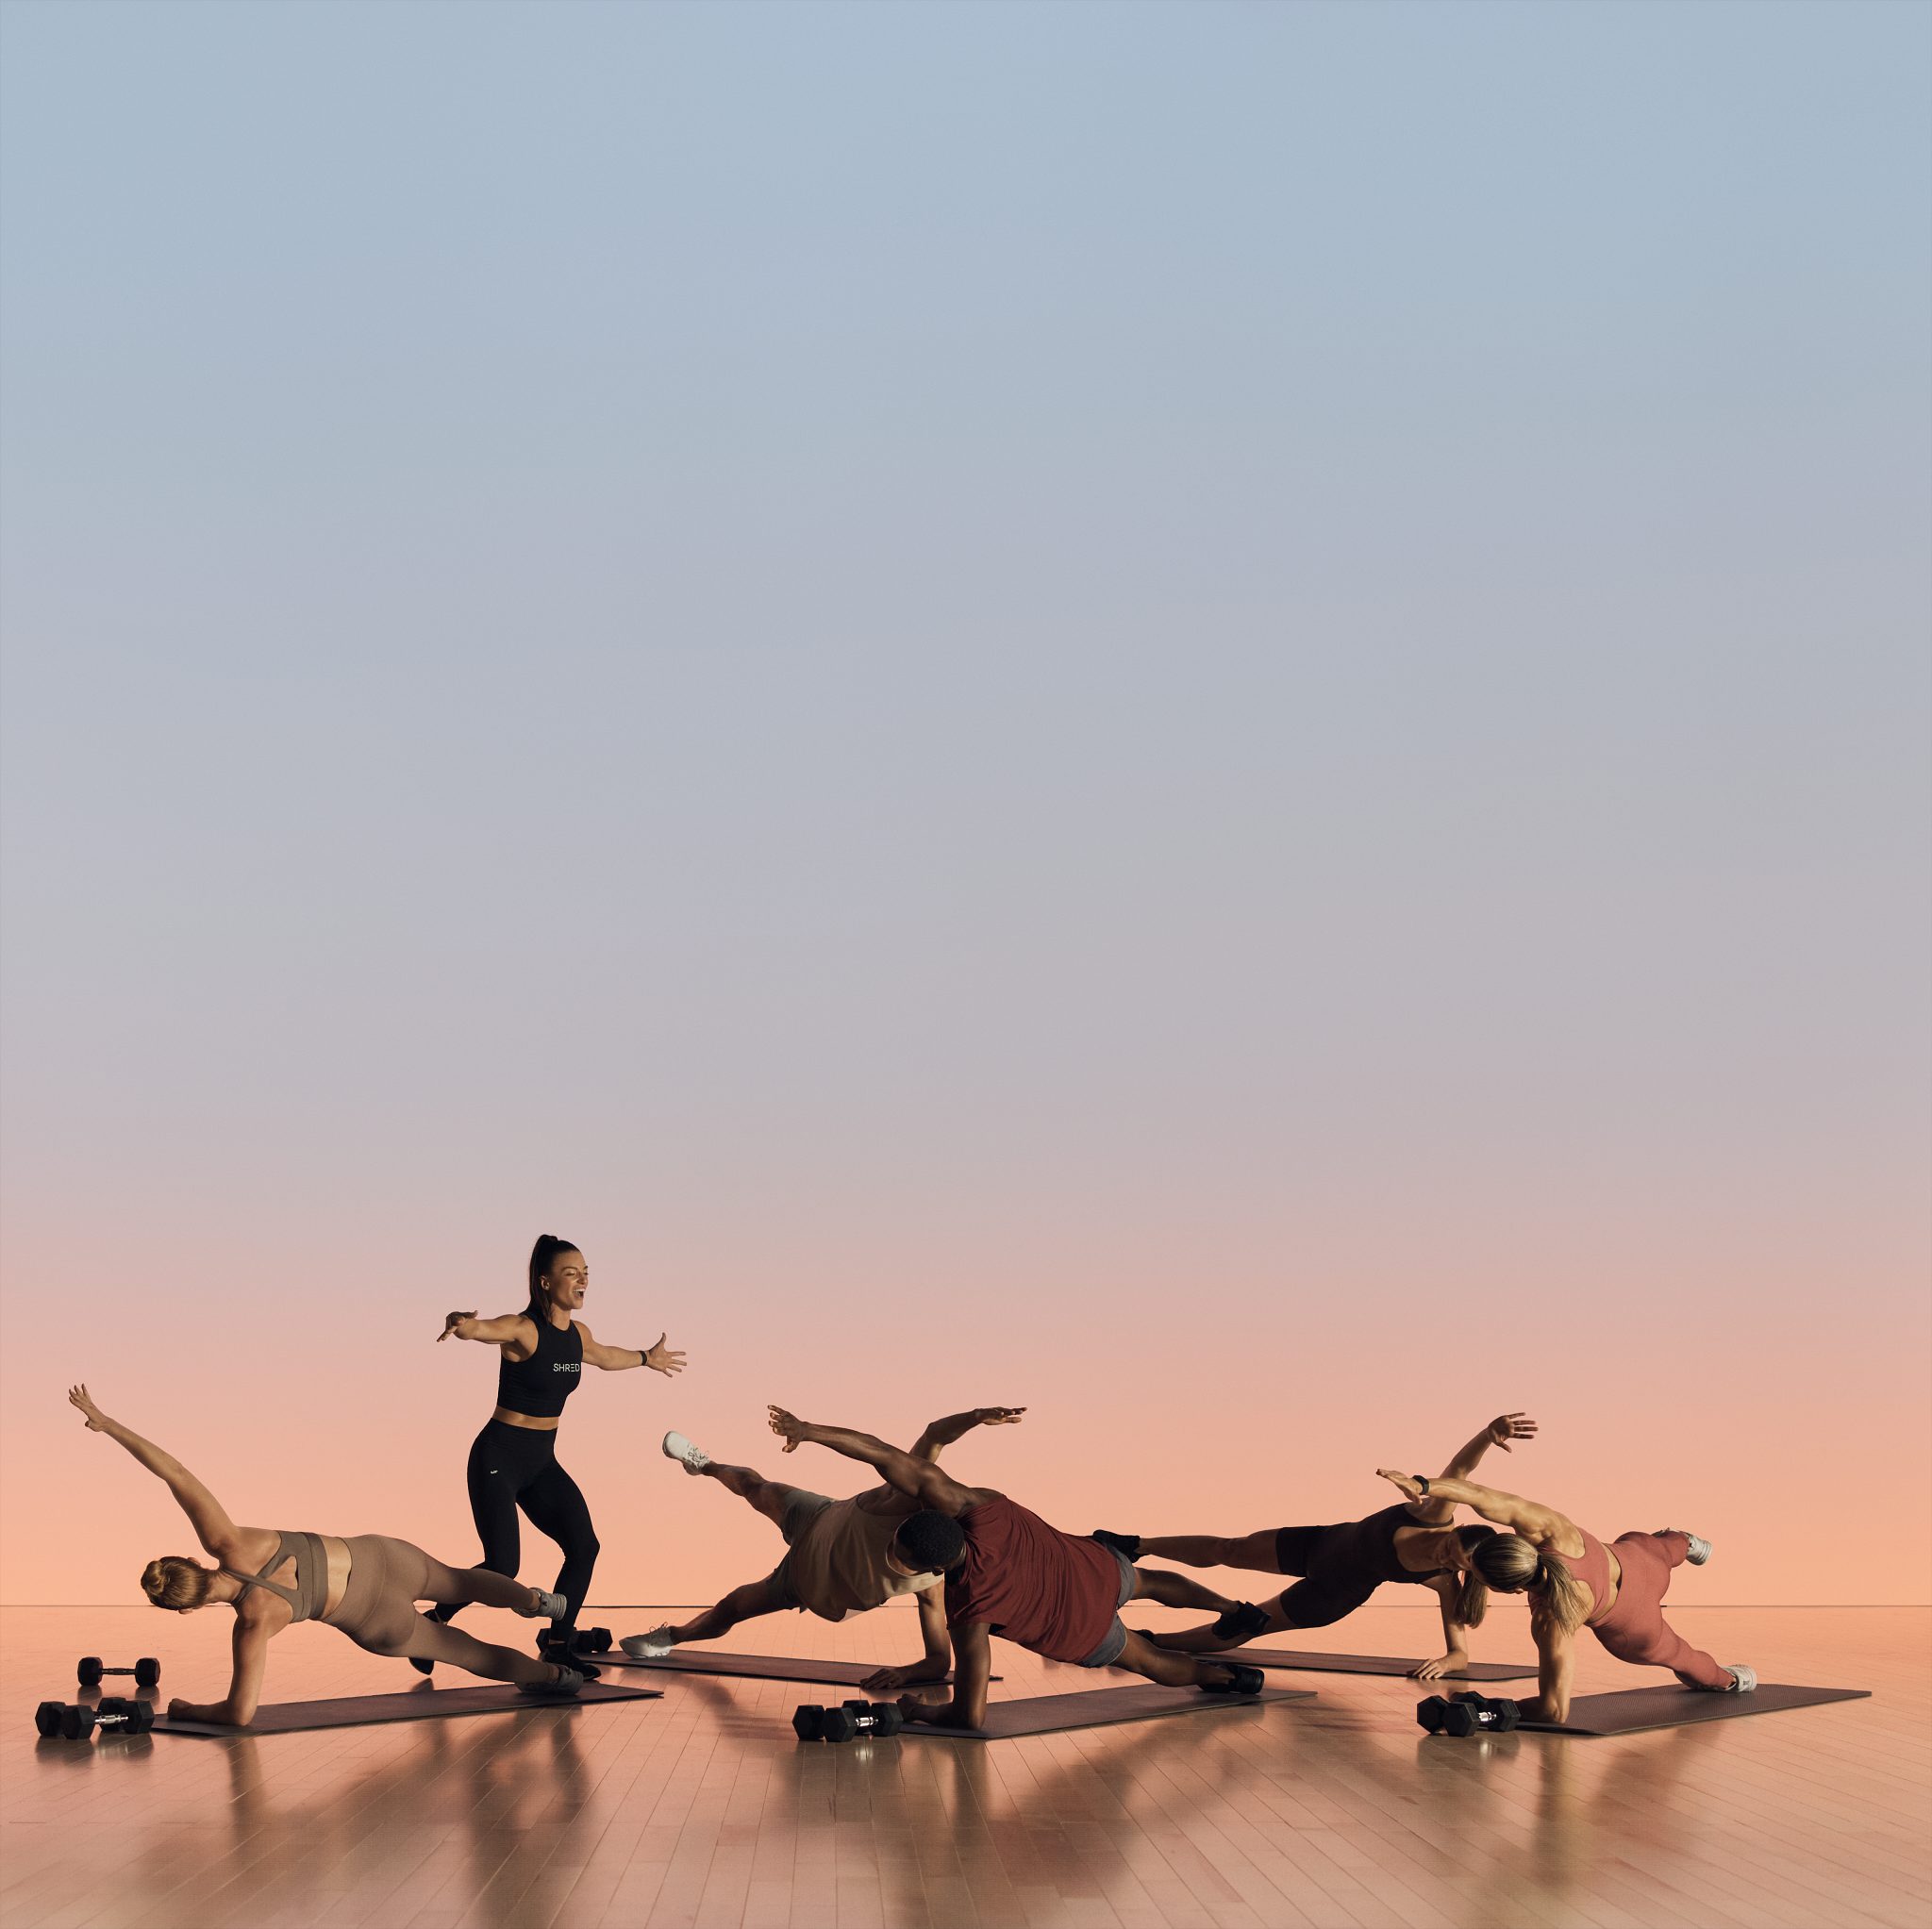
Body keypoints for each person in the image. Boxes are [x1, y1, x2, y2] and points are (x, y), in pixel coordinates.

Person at [67, 1385, 584, 1726]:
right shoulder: (226, 1540)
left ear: (185, 1608)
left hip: (373, 1620)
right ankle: (536, 1602)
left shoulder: (252, 1622)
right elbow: (174, 1473)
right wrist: (107, 1423)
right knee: (463, 1580)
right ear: (192, 1560)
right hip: (382, 1558)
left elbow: (240, 1713)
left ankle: (555, 1679)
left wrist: (188, 1708)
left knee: (471, 1655)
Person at [761, 1407, 1267, 1730]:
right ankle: (1231, 1608)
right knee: (1151, 1581)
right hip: (1094, 1569)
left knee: (1155, 1665)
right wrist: (809, 1431)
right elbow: (884, 1454)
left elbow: (970, 1715)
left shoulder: (969, 1610)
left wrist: (916, 1711)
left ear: (930, 1568)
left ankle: (1227, 1680)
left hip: (1081, 1630)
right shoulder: (979, 1507)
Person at [1101, 1414, 1538, 1678]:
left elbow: (1460, 1652)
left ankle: (1147, 1640)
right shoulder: (1434, 1514)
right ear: (1457, 1533)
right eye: (1449, 1550)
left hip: (1330, 1596)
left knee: (1244, 1627)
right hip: (1319, 1542)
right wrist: (1488, 1432)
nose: (1444, 1558)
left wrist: (1448, 1661)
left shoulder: (1445, 1582)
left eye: (1455, 1564)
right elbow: (1460, 1469)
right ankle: (1137, 1544)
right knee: (1230, 1549)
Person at [625, 1405, 1024, 1693]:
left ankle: (671, 1637)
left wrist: (904, 1675)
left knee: (730, 1609)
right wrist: (807, 1430)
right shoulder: (910, 1493)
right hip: (821, 1516)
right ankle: (704, 1464)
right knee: (756, 1487)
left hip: (806, 1584)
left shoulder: (932, 1583)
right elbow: (928, 1434)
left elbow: (939, 1662)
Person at [425, 1233, 685, 1670]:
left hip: (540, 1462)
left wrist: (646, 1357)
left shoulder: (577, 1336)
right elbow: (485, 1329)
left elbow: (604, 1356)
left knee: (584, 1547)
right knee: (503, 1565)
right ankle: (436, 1619)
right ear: (545, 1282)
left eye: (586, 1272)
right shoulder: (524, 1329)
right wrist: (462, 1324)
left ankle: (558, 1645)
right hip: (498, 1457)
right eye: (571, 1273)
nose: (582, 1280)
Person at [1372, 1467, 1755, 1723]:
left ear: (1514, 1589)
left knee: (1682, 1658)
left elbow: (1555, 1710)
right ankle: (1688, 1543)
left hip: (1635, 1628)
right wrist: (1423, 1486)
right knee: (1661, 1545)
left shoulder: (1553, 1617)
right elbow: (1477, 1493)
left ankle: (1732, 1681)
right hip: (1641, 1559)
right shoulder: (1551, 1531)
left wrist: (1491, 1709)